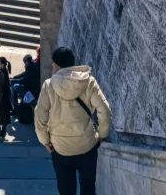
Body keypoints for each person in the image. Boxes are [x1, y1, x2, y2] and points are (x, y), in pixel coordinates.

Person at [35, 46, 112, 195]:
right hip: (87, 146)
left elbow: (40, 116)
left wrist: (45, 140)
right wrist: (102, 134)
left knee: (65, 189)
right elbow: (105, 110)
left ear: (57, 65)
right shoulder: (89, 82)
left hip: (60, 148)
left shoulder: (49, 85)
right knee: (88, 186)